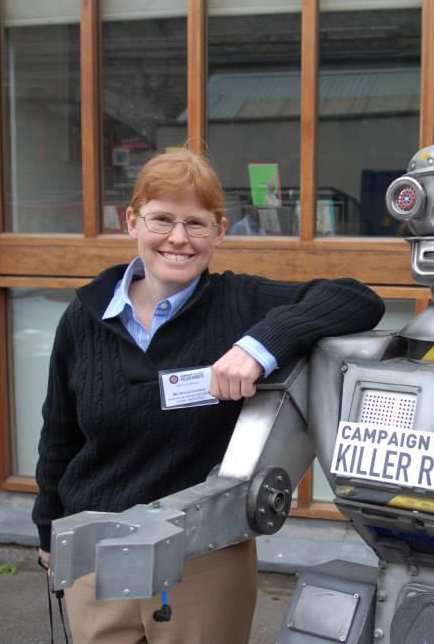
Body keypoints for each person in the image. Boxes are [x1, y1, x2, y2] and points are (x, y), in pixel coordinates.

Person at [32, 148, 384, 643]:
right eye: (162, 219)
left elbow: (357, 298)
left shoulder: (238, 303)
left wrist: (259, 346)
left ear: (219, 232)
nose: (178, 238)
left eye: (195, 223)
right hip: (96, 548)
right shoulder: (84, 318)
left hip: (201, 557)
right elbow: (59, 435)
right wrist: (48, 531)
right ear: (132, 221)